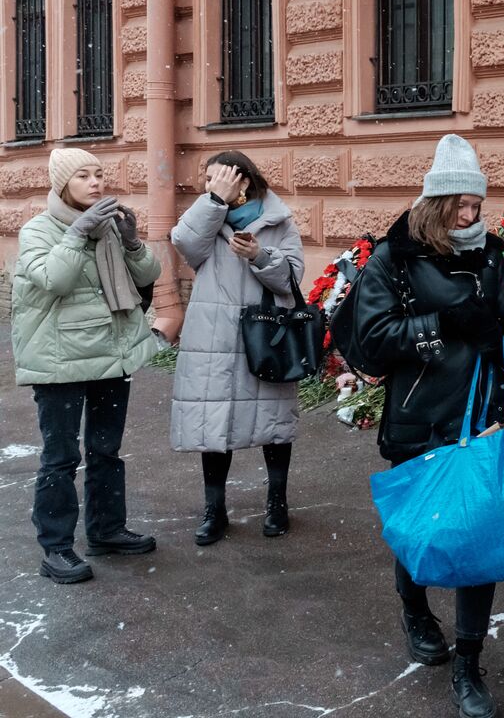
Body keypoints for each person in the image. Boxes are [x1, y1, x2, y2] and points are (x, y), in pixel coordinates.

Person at [347, 134, 504, 718]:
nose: (472, 216)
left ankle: (470, 667)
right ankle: (416, 611)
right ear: (436, 204)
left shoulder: (492, 253)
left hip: (480, 419)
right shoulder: (393, 258)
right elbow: (371, 342)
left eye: (477, 205)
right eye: (461, 206)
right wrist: (443, 322)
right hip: (420, 415)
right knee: (419, 530)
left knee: (478, 542)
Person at [12, 148, 163, 584]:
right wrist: (78, 231)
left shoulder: (108, 227)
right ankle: (56, 548)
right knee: (61, 457)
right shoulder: (38, 230)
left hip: (111, 354)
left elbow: (147, 275)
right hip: (60, 361)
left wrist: (132, 241)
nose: (96, 182)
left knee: (105, 451)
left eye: (99, 174)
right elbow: (56, 279)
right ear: (63, 184)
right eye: (84, 176)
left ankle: (106, 530)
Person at [170, 151, 306, 545]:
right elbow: (184, 243)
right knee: (213, 423)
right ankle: (215, 510)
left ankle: (277, 503)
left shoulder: (278, 220)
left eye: (218, 178)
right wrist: (214, 201)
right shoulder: (206, 220)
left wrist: (260, 256)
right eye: (207, 180)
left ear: (243, 180)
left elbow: (293, 279)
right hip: (212, 336)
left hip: (266, 336)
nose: (209, 185)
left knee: (274, 423)